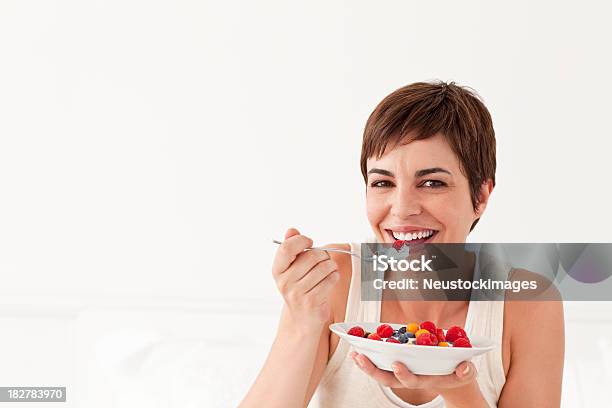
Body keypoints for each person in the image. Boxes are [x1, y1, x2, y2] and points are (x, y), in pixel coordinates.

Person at [239, 81, 564, 408]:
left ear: (480, 196)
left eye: (432, 183)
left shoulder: (528, 304)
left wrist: (460, 391)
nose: (402, 208)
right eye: (383, 182)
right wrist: (302, 320)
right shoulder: (334, 281)